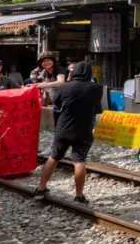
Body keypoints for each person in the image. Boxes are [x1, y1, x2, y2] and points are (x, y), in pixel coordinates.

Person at [34, 62, 102, 204]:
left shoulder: (65, 86)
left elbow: (57, 101)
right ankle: (78, 195)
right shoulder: (96, 88)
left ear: (74, 72)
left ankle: (40, 189)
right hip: (84, 129)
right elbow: (96, 104)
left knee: (53, 157)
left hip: (64, 127)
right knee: (79, 160)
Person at [29, 52, 67, 124]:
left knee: (63, 124)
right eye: (44, 61)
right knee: (57, 124)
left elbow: (61, 82)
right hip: (56, 101)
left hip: (65, 101)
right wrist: (33, 85)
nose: (46, 62)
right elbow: (42, 82)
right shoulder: (44, 72)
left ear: (53, 61)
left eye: (48, 60)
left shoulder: (58, 69)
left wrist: (44, 85)